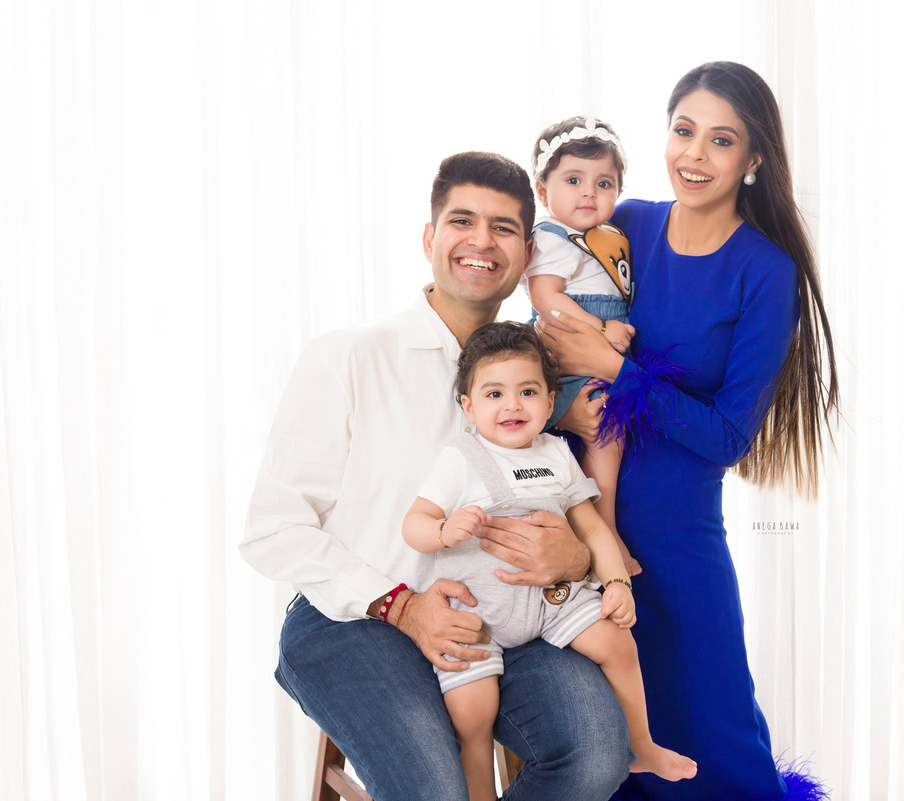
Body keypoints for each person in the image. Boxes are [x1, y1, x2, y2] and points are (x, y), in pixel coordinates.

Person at [240, 152, 633, 801]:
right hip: (356, 621)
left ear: (527, 254)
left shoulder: (541, 380)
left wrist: (575, 560)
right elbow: (272, 531)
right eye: (462, 221)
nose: (482, 241)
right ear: (430, 239)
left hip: (501, 621)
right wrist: (400, 606)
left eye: (503, 228)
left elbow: (568, 508)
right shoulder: (348, 357)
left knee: (595, 754)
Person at [539, 62, 839, 801]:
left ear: (754, 157)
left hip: (677, 551)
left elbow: (728, 436)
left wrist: (616, 369)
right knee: (604, 753)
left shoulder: (766, 272)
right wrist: (567, 405)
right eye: (683, 130)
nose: (694, 155)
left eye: (721, 140)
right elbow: (544, 337)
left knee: (715, 744)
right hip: (578, 534)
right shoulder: (625, 224)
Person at [402, 322, 696, 801]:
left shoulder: (556, 453)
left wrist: (616, 584)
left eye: (528, 391)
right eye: (494, 394)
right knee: (472, 714)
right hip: (479, 612)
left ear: (550, 399)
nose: (513, 405)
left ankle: (640, 745)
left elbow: (592, 528)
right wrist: (441, 531)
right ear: (468, 407)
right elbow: (414, 522)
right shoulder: (460, 459)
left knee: (617, 642)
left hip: (551, 601)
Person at [520, 116, 640, 574]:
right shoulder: (552, 237)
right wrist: (600, 329)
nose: (589, 193)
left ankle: (598, 527)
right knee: (605, 434)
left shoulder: (605, 238)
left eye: (603, 183)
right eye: (574, 181)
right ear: (543, 191)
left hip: (598, 346)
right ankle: (604, 529)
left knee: (609, 434)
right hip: (571, 345)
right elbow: (546, 300)